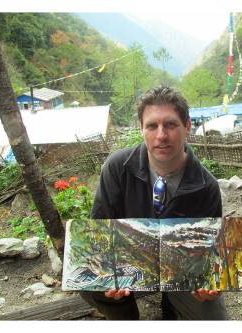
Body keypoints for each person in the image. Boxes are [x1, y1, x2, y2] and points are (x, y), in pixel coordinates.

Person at [81, 86, 226, 320]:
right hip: (128, 265)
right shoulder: (117, 168)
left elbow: (209, 250)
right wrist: (109, 273)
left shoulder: (206, 185)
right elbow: (98, 229)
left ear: (187, 127)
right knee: (88, 281)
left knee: (213, 317)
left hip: (182, 272)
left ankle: (172, 306)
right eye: (152, 126)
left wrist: (209, 282)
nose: (161, 135)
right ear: (141, 129)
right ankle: (124, 317)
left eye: (170, 124)